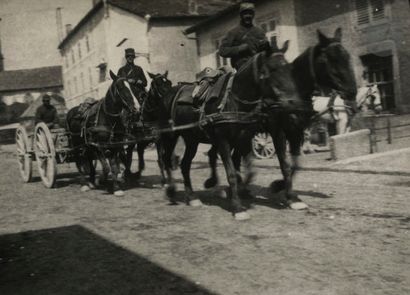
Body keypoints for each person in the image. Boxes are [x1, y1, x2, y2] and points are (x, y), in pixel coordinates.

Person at [219, 1, 269, 70]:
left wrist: (266, 46)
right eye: (245, 13)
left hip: (259, 68)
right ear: (241, 15)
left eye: (250, 13)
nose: (248, 16)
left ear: (253, 15)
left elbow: (267, 52)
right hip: (241, 70)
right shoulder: (233, 32)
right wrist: (239, 48)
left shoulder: (259, 32)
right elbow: (222, 51)